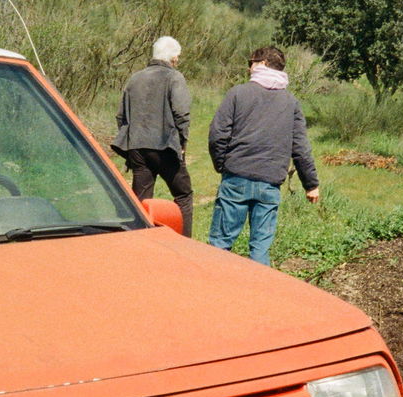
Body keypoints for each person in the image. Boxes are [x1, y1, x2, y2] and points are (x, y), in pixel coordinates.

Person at [207, 45, 319, 264]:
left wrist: (223, 165)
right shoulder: (291, 102)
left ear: (263, 64)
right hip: (269, 183)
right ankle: (260, 287)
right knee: (260, 250)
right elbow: (301, 147)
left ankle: (213, 285)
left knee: (220, 246)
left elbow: (217, 134)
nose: (249, 67)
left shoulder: (238, 93)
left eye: (251, 63)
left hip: (236, 178)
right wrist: (311, 184)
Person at [112, 36, 194, 236]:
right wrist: (182, 143)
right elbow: (182, 113)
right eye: (177, 57)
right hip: (165, 147)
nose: (177, 60)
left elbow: (121, 116)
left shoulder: (135, 78)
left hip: (137, 149)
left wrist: (130, 142)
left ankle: (139, 241)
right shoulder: (174, 77)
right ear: (173, 58)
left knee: (141, 201)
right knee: (183, 195)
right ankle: (185, 243)